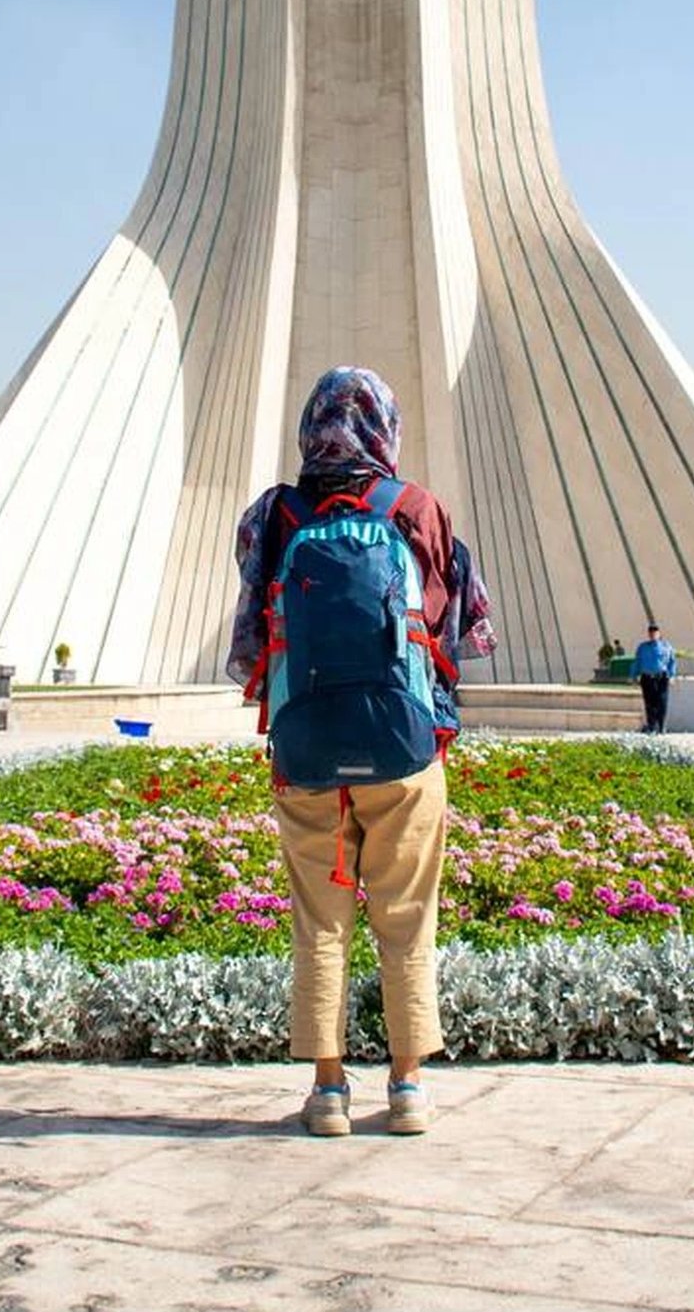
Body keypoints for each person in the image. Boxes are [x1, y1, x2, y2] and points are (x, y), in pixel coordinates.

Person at [227, 366, 494, 1139]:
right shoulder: (418, 510)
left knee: (320, 916)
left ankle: (328, 1090)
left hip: (306, 749)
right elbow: (456, 630)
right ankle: (407, 1084)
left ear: (311, 426)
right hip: (405, 750)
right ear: (386, 428)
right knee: (408, 915)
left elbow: (252, 630)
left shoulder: (273, 515)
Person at [630, 623, 676, 734]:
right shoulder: (643, 647)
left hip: (661, 678)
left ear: (659, 633)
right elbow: (637, 661)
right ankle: (651, 726)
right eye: (651, 632)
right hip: (647, 678)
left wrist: (672, 676)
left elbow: (672, 662)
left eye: (655, 631)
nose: (653, 634)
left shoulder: (666, 646)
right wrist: (633, 675)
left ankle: (661, 727)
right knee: (649, 703)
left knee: (662, 702)